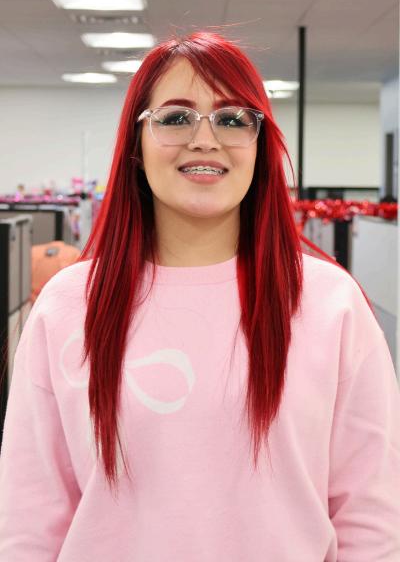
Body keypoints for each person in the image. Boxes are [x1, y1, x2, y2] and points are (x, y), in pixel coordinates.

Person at [0, 31, 399, 561]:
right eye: (175, 117)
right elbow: (30, 522)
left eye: (233, 119)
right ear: (136, 147)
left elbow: (370, 517)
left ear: (260, 146)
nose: (205, 139)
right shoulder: (69, 305)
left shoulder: (330, 304)